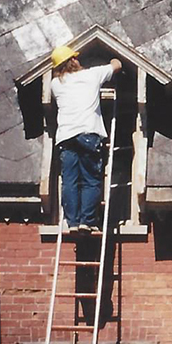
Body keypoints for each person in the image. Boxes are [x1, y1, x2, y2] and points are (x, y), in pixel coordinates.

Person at [50, 45, 122, 233]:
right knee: (91, 180)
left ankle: (72, 222)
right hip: (88, 134)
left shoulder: (55, 84)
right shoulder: (92, 75)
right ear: (72, 61)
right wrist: (110, 59)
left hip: (66, 137)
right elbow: (117, 65)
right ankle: (87, 221)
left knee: (70, 181)